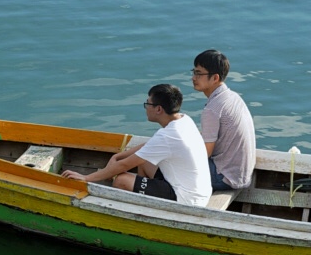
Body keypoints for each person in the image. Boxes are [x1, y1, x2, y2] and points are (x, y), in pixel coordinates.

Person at [62, 83, 212, 207]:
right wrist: (117, 156)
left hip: (187, 200)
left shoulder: (168, 135)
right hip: (198, 190)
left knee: (121, 181)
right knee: (145, 160)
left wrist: (87, 178)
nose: (146, 107)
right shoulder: (184, 120)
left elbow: (123, 166)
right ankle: (143, 198)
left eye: (148, 104)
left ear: (159, 109)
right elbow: (148, 147)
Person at [189, 49, 256, 192]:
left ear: (215, 78)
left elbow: (205, 153)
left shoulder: (212, 109)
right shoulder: (232, 97)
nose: (193, 78)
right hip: (241, 175)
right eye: (194, 72)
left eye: (199, 74)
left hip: (224, 177)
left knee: (169, 161)